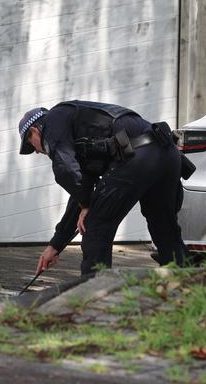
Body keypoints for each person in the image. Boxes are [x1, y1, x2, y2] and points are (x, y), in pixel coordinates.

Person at [18, 100, 191, 276]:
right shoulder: (78, 127)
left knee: (94, 227)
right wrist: (56, 245)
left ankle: (93, 292)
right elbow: (80, 191)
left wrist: (86, 205)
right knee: (165, 227)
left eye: (32, 146)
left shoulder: (52, 121)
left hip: (137, 155)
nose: (38, 152)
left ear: (34, 131)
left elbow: (66, 171)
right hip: (167, 153)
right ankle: (183, 286)